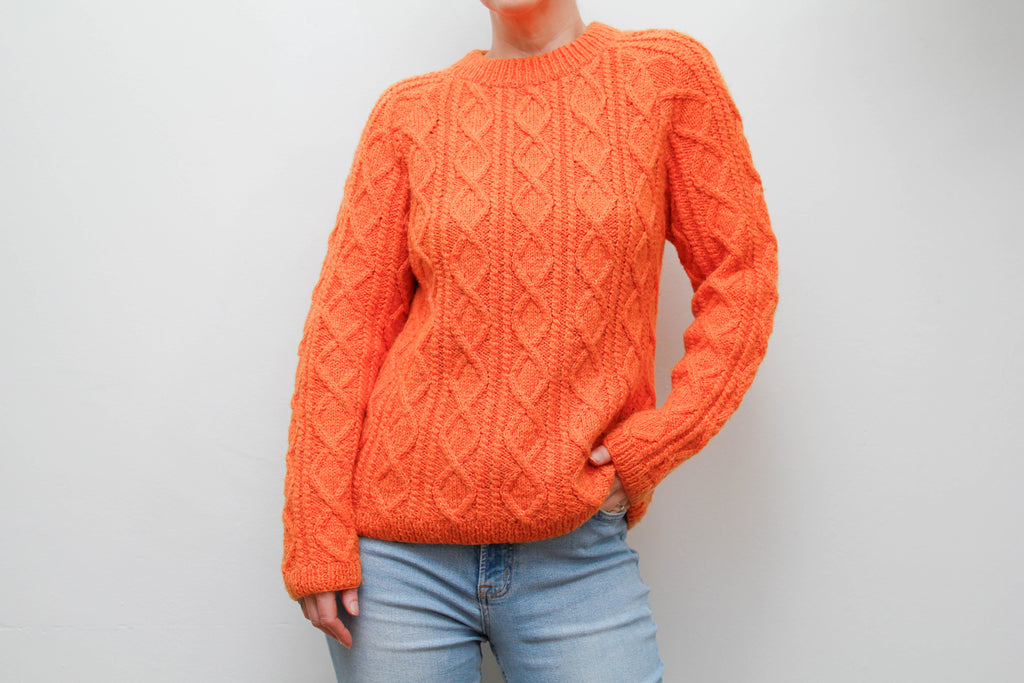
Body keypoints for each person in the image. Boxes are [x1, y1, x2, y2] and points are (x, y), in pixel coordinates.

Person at [281, 1, 779, 680]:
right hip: (396, 565)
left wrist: (656, 443)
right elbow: (345, 331)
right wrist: (316, 528)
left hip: (575, 553)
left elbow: (741, 273)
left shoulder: (665, 76)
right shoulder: (408, 114)